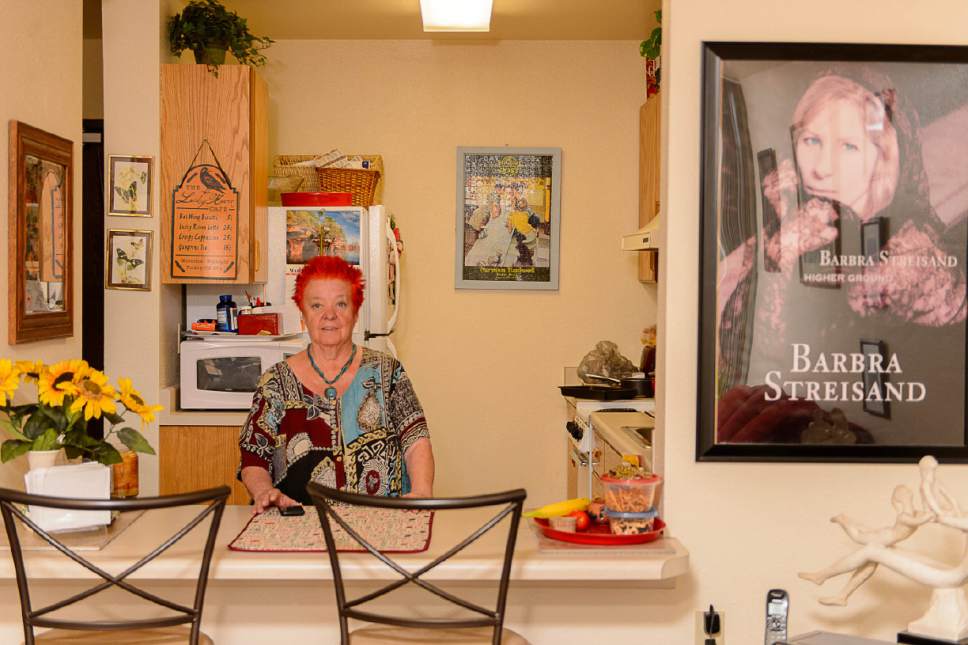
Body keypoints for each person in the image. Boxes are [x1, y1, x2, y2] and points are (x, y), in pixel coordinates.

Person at [715, 67, 967, 445]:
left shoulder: (915, 256)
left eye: (848, 146)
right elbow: (737, 360)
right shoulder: (769, 236)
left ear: (881, 158)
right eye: (811, 140)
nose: (821, 167)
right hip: (767, 454)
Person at [239, 256, 435, 513]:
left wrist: (421, 491)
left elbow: (416, 440)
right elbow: (253, 456)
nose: (329, 315)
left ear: (355, 313)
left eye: (341, 304)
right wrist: (264, 492)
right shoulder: (274, 381)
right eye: (317, 305)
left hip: (383, 521)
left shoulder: (389, 372)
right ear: (303, 314)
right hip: (297, 526)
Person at [816, 485, 933, 606]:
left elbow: (926, 515)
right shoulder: (904, 516)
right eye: (905, 492)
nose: (909, 492)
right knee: (857, 536)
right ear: (902, 498)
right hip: (884, 537)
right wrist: (929, 515)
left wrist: (930, 508)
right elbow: (920, 521)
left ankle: (841, 596)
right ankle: (841, 519)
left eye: (907, 491)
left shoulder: (914, 513)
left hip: (886, 538)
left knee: (869, 566)